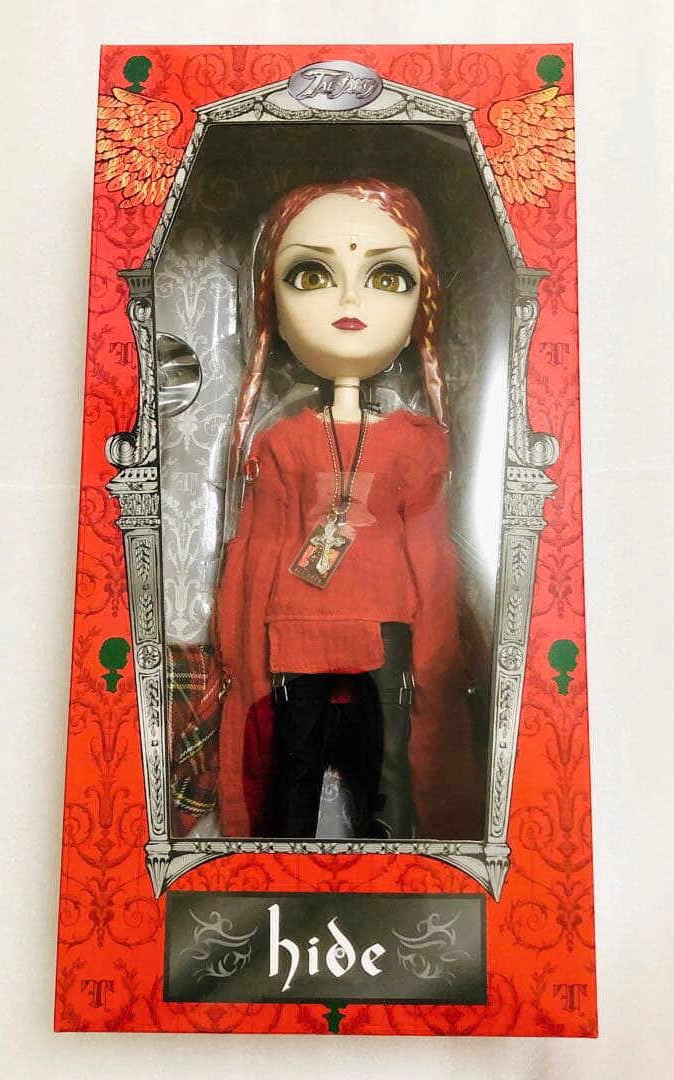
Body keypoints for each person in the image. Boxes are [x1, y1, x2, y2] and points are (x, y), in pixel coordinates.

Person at [214, 177, 481, 840]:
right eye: (312, 275)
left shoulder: (416, 444)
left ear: (423, 302)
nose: (350, 301)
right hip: (296, 624)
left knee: (387, 769)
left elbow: (431, 559)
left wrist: (440, 662)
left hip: (385, 624)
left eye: (388, 277)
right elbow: (258, 552)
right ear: (272, 303)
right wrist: (239, 654)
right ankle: (281, 867)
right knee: (295, 765)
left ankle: (396, 869)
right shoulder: (281, 443)